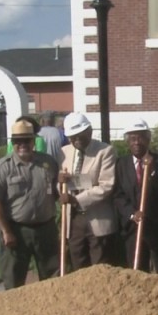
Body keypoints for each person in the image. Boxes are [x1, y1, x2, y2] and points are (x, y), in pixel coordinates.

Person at [0, 119, 60, 289]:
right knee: (13, 281)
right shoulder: (1, 168)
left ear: (34, 141)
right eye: (18, 141)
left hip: (46, 229)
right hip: (16, 230)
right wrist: (6, 231)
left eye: (27, 140)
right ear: (13, 143)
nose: (23, 145)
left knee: (52, 281)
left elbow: (55, 190)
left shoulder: (48, 163)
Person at [112, 118, 158, 275]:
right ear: (127, 142)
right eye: (132, 138)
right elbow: (118, 195)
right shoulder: (121, 164)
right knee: (137, 272)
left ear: (148, 139)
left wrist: (152, 172)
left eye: (140, 137)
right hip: (133, 229)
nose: (137, 142)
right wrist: (132, 213)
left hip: (157, 229)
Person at [58, 112, 117, 270]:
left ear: (89, 131)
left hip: (97, 218)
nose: (76, 140)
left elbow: (106, 186)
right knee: (78, 266)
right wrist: (61, 182)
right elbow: (61, 185)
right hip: (74, 219)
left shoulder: (105, 151)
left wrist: (77, 199)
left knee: (100, 268)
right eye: (72, 137)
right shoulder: (63, 152)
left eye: (79, 136)